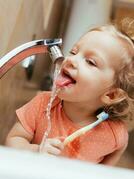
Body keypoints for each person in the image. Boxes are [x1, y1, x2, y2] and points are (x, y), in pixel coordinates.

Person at [5, 19, 134, 165]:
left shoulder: (115, 136)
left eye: (90, 62)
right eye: (73, 52)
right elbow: (13, 140)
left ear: (111, 95)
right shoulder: (42, 104)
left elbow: (103, 174)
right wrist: (36, 151)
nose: (71, 60)